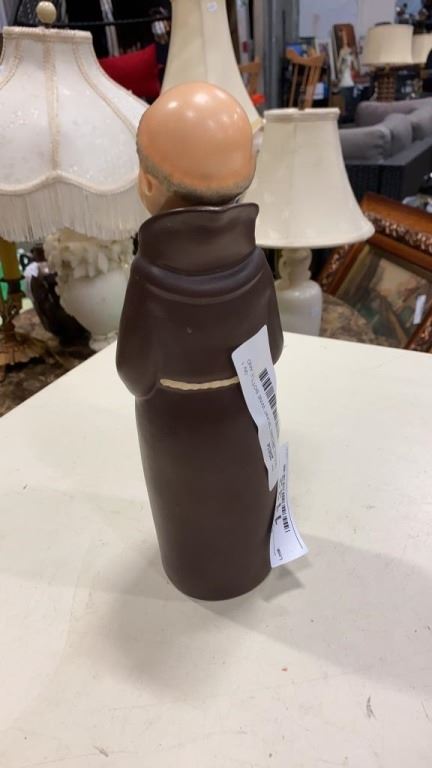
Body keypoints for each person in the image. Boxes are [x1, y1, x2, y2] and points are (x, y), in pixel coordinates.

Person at [116, 83, 283, 600]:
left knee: (191, 527)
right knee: (244, 508)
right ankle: (248, 567)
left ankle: (196, 576)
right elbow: (274, 347)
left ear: (146, 182)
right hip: (249, 418)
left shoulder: (149, 277)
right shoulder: (256, 264)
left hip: (177, 433)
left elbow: (134, 372)